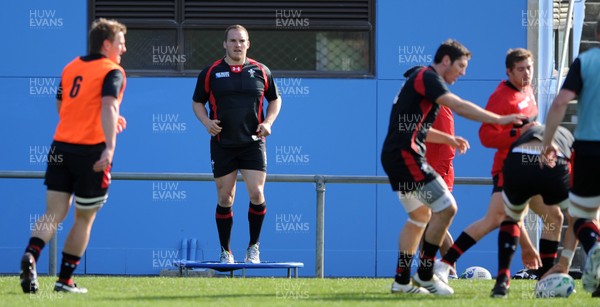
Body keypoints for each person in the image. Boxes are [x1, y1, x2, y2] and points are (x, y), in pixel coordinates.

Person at [381, 39, 525, 295]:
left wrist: (448, 138)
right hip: (405, 156)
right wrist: (501, 119)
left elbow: (416, 127)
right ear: (445, 61)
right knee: (447, 207)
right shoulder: (427, 77)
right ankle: (426, 274)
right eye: (461, 66)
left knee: (419, 218)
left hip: (397, 156)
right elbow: (459, 106)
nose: (463, 72)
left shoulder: (421, 82)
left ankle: (401, 281)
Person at [435, 48, 565, 282]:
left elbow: (528, 127)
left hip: (532, 168)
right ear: (509, 71)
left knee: (554, 216)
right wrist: (519, 133)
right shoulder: (501, 97)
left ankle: (545, 275)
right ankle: (446, 263)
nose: (527, 73)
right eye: (521, 69)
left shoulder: (528, 90)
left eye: (529, 68)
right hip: (509, 170)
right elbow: (486, 136)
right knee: (496, 219)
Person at [19, 18, 128, 294]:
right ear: (106, 44)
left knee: (52, 213)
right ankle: (64, 280)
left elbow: (62, 102)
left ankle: (31, 255)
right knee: (84, 218)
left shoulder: (72, 66)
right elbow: (108, 105)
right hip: (90, 152)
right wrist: (109, 146)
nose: (123, 49)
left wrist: (91, 121)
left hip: (60, 147)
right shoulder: (112, 70)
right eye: (120, 43)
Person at [192, 25, 281, 264]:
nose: (237, 45)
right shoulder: (211, 72)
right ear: (225, 44)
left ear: (248, 43)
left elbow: (275, 99)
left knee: (257, 193)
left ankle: (253, 248)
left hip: (253, 142)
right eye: (232, 41)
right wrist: (206, 121)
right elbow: (197, 102)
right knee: (225, 199)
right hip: (223, 143)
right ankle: (225, 252)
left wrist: (269, 122)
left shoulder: (261, 70)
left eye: (241, 41)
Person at [541, 16, 600, 297]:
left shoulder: (586, 62)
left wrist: (548, 141)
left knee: (579, 215)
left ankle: (594, 247)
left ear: (597, 33)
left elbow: (561, 101)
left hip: (590, 149)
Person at [490, 125, 574, 298]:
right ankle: (445, 263)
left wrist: (526, 246)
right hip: (548, 162)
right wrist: (565, 261)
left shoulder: (531, 127)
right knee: (581, 217)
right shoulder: (571, 142)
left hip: (518, 162)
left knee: (549, 217)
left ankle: (504, 281)